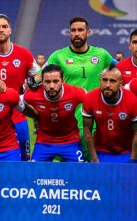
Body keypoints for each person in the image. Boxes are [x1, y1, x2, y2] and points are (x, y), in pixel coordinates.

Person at [45, 16, 114, 159]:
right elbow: (40, 77)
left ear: (88, 32)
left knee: (93, 165)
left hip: (94, 121)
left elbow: (123, 69)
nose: (77, 33)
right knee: (68, 168)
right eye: (73, 30)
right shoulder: (58, 56)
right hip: (67, 122)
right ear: (69, 33)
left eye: (80, 30)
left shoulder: (101, 54)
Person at [0, 14, 40, 161]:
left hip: (18, 117)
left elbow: (39, 76)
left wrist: (28, 84)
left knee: (24, 161)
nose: (1, 30)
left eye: (4, 27)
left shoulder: (23, 54)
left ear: (10, 30)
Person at [23, 64, 86, 162]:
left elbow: (92, 100)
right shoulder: (32, 95)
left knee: (80, 173)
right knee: (34, 173)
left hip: (70, 141)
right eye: (47, 82)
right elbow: (18, 102)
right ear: (42, 82)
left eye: (56, 81)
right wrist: (34, 115)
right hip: (44, 142)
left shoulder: (75, 93)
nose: (51, 86)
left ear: (63, 81)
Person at [82, 65, 137, 163]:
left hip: (127, 151)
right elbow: (87, 130)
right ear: (100, 81)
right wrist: (94, 158)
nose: (107, 85)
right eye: (104, 80)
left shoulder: (132, 101)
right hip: (101, 151)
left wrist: (133, 159)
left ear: (121, 83)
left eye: (112, 81)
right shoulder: (90, 98)